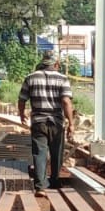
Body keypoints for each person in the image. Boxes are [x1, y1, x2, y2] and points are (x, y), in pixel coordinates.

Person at [18, 52, 73, 192]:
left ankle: (40, 186)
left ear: (43, 63)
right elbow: (66, 101)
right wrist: (71, 123)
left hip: (38, 121)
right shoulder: (63, 78)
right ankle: (54, 180)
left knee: (39, 153)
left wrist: (21, 113)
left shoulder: (30, 77)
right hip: (56, 121)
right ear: (56, 64)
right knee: (57, 153)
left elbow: (22, 99)